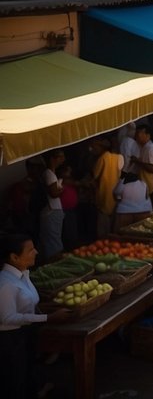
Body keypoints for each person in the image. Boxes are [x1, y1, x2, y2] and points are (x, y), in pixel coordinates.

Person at [1, 234, 70, 398]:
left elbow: (31, 303)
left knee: (26, 372)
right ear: (14, 257)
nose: (36, 252)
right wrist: (48, 318)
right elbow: (8, 318)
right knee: (14, 380)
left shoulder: (24, 274)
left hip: (25, 333)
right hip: (10, 339)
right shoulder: (6, 284)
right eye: (30, 250)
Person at [90, 137, 123, 237]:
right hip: (116, 197)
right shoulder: (119, 158)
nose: (92, 149)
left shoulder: (103, 158)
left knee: (103, 229)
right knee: (114, 226)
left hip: (104, 196)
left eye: (94, 146)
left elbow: (95, 177)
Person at [39, 151, 66, 258]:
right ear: (52, 159)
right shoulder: (49, 174)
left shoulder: (51, 173)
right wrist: (61, 190)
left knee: (52, 238)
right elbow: (54, 193)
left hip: (52, 210)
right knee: (53, 240)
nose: (62, 160)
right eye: (60, 157)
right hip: (51, 210)